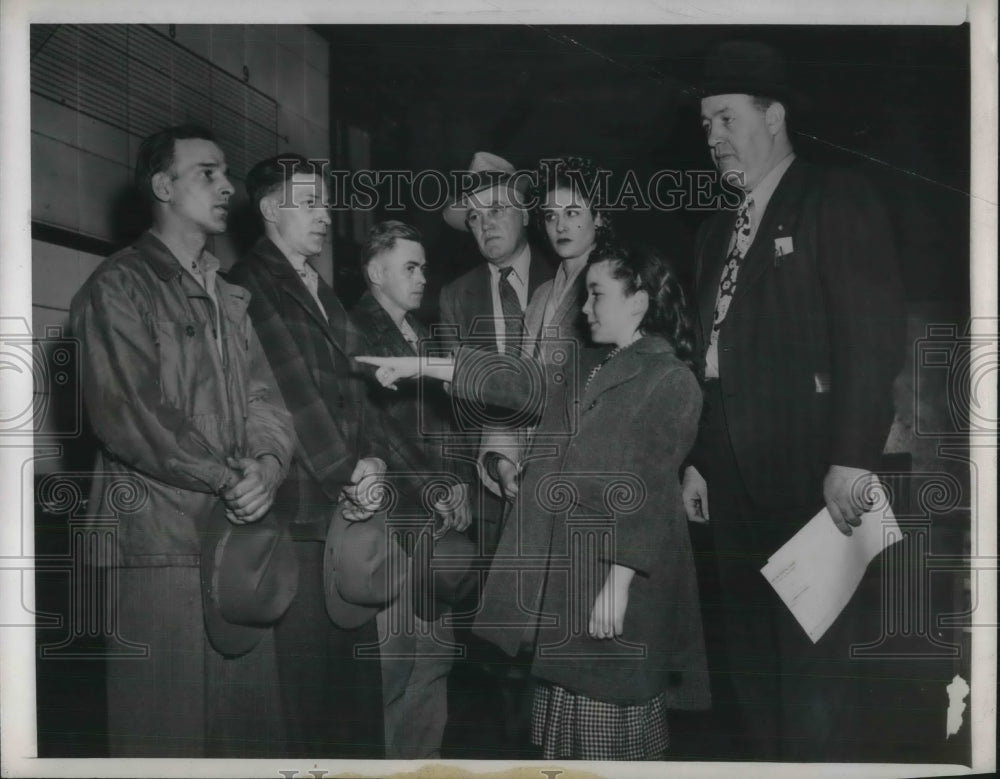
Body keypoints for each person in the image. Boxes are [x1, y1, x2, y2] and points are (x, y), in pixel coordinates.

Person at [357, 245, 711, 760]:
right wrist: (420, 365)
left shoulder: (671, 379)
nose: (584, 308)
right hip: (568, 578)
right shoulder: (586, 363)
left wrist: (619, 582)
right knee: (566, 739)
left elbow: (651, 489)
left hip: (619, 582)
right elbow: (513, 382)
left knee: (607, 733)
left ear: (638, 301)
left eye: (596, 295)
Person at [681, 40, 906, 760]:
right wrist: (699, 461)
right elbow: (710, 361)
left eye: (724, 118)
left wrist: (850, 457)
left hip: (816, 483)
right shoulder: (714, 234)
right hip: (733, 486)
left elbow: (869, 338)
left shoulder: (833, 196)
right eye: (705, 125)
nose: (712, 138)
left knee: (815, 680)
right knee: (753, 677)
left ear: (773, 115)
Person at [228, 155, 468, 757]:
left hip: (343, 517)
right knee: (307, 703)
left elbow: (364, 404)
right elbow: (290, 393)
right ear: (268, 209)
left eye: (326, 203)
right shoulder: (251, 283)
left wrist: (406, 473)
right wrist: (348, 471)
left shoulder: (323, 295)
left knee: (352, 702)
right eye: (309, 202)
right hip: (297, 519)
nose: (325, 215)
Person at [69, 123, 295, 757]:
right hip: (154, 550)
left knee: (247, 738)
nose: (228, 187)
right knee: (162, 743)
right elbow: (133, 414)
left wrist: (269, 467)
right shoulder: (119, 287)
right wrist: (231, 479)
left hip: (236, 543)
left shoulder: (229, 297)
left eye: (226, 174)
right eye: (209, 173)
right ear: (164, 186)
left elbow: (265, 402)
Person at [350, 219, 473, 758]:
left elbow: (452, 424)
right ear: (377, 272)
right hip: (389, 533)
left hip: (435, 534)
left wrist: (461, 484)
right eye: (410, 267)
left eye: (424, 266)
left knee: (433, 666)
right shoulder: (352, 334)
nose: (423, 277)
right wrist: (434, 490)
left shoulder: (425, 337)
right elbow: (370, 433)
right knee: (391, 673)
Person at [439, 151, 553, 555]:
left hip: (563, 472)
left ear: (524, 214)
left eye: (497, 209)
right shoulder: (454, 296)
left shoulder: (565, 278)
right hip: (488, 487)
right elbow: (459, 401)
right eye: (474, 216)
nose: (485, 224)